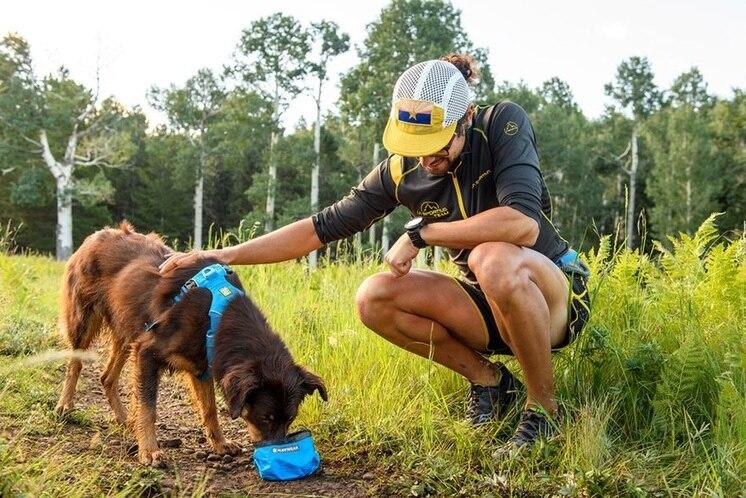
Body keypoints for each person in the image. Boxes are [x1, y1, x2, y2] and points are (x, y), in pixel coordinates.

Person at [160, 53, 590, 449]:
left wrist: (424, 233)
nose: (426, 159)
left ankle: (544, 410)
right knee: (374, 295)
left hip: (554, 296)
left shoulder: (502, 125)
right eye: (416, 145)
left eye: (437, 143)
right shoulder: (402, 169)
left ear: (467, 118)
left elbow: (522, 222)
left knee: (490, 256)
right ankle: (492, 383)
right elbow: (319, 228)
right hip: (488, 304)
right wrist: (223, 255)